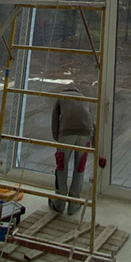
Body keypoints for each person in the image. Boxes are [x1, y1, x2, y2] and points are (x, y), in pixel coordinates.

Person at [50, 86, 94, 215]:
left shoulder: (61, 97)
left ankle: (59, 203)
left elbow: (54, 119)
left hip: (66, 133)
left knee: (61, 167)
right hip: (86, 134)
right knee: (79, 168)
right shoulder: (84, 99)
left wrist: (57, 137)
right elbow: (91, 120)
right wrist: (94, 144)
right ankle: (74, 204)